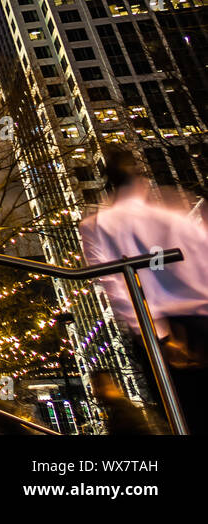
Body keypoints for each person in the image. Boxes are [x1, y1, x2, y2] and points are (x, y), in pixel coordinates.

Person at [80, 147, 208, 432]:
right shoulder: (174, 208)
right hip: (200, 316)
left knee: (185, 416)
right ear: (141, 177)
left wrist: (158, 335)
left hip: (157, 325)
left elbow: (118, 287)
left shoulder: (97, 225)